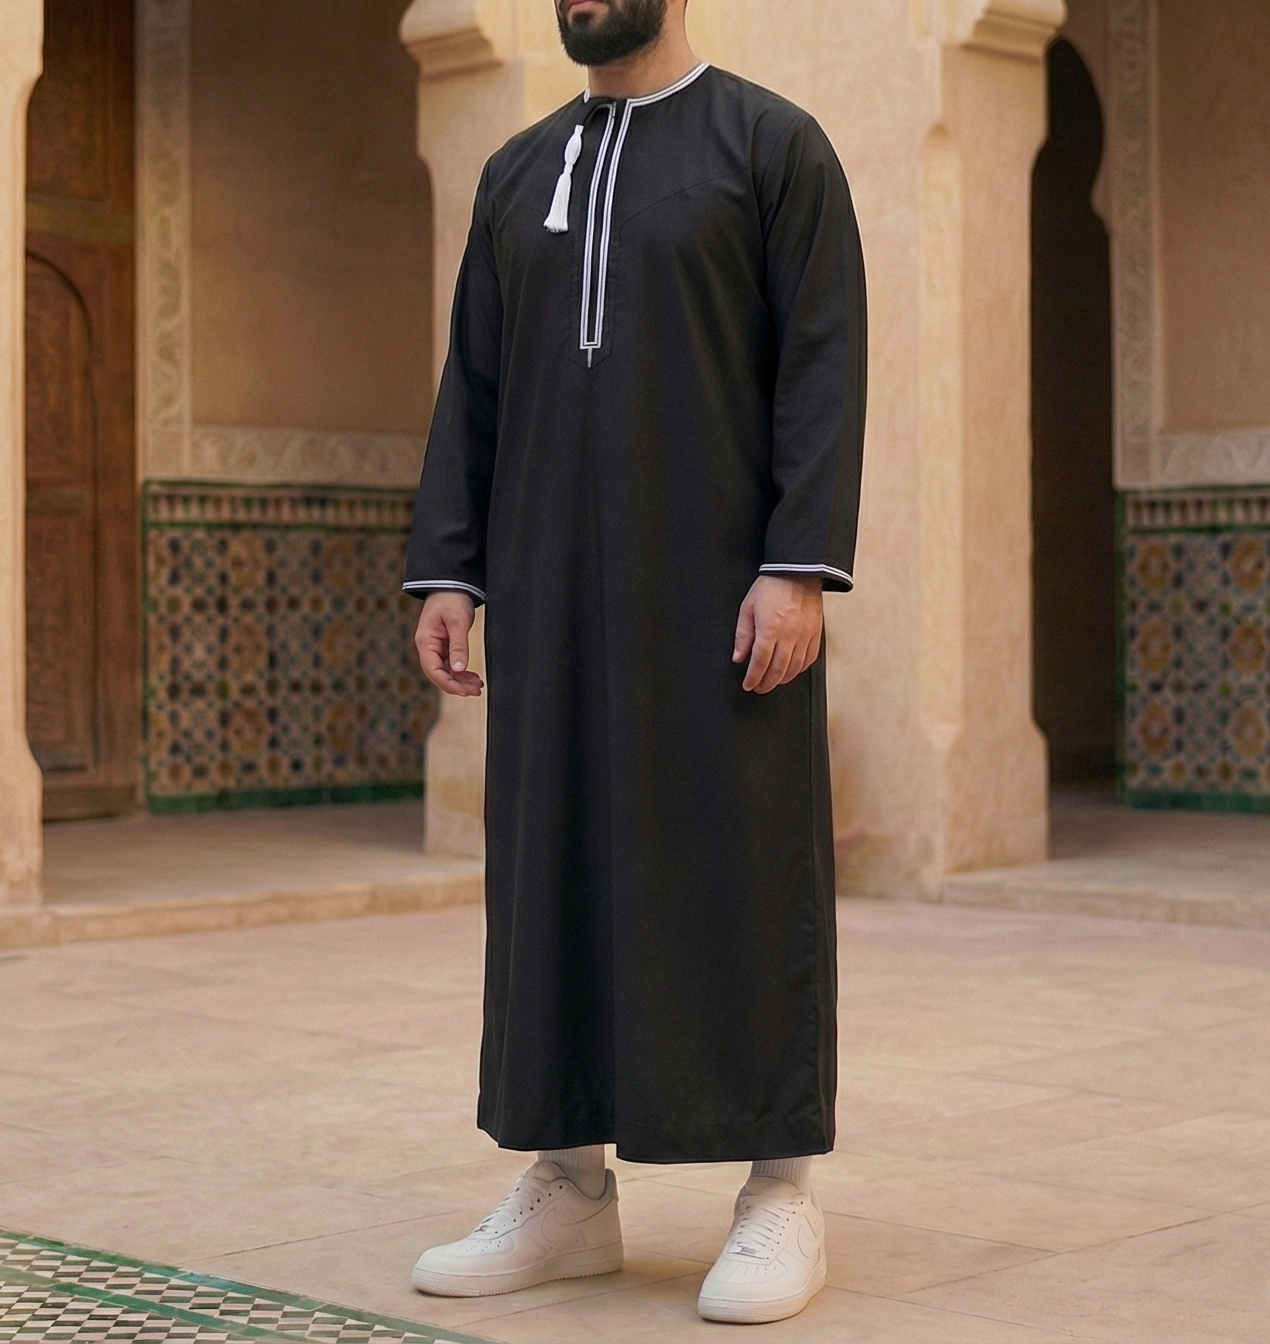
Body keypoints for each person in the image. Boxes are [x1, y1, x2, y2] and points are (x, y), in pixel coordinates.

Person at [403, 0, 864, 1324]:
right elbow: (473, 384)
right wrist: (451, 565)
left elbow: (823, 365)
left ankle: (779, 1189)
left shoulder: (773, 147)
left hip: (725, 596)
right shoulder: (517, 172)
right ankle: (568, 1189)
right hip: (550, 593)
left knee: (743, 857)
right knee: (553, 867)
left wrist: (799, 561)